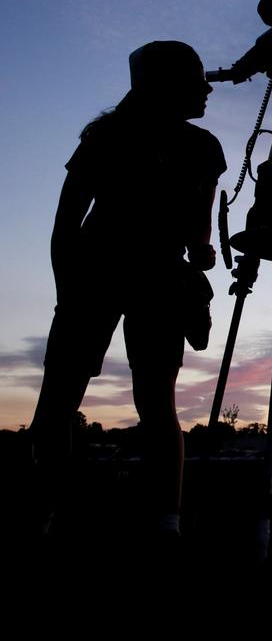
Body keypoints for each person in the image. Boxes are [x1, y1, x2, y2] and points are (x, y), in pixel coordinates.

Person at [30, 40, 226, 544]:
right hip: (101, 278)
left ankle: (158, 526)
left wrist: (201, 251)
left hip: (147, 281)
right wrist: (68, 294)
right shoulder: (110, 137)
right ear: (165, 85)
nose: (207, 88)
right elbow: (66, 225)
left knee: (144, 405)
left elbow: (198, 228)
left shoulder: (201, 148)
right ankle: (49, 516)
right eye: (197, 77)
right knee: (66, 405)